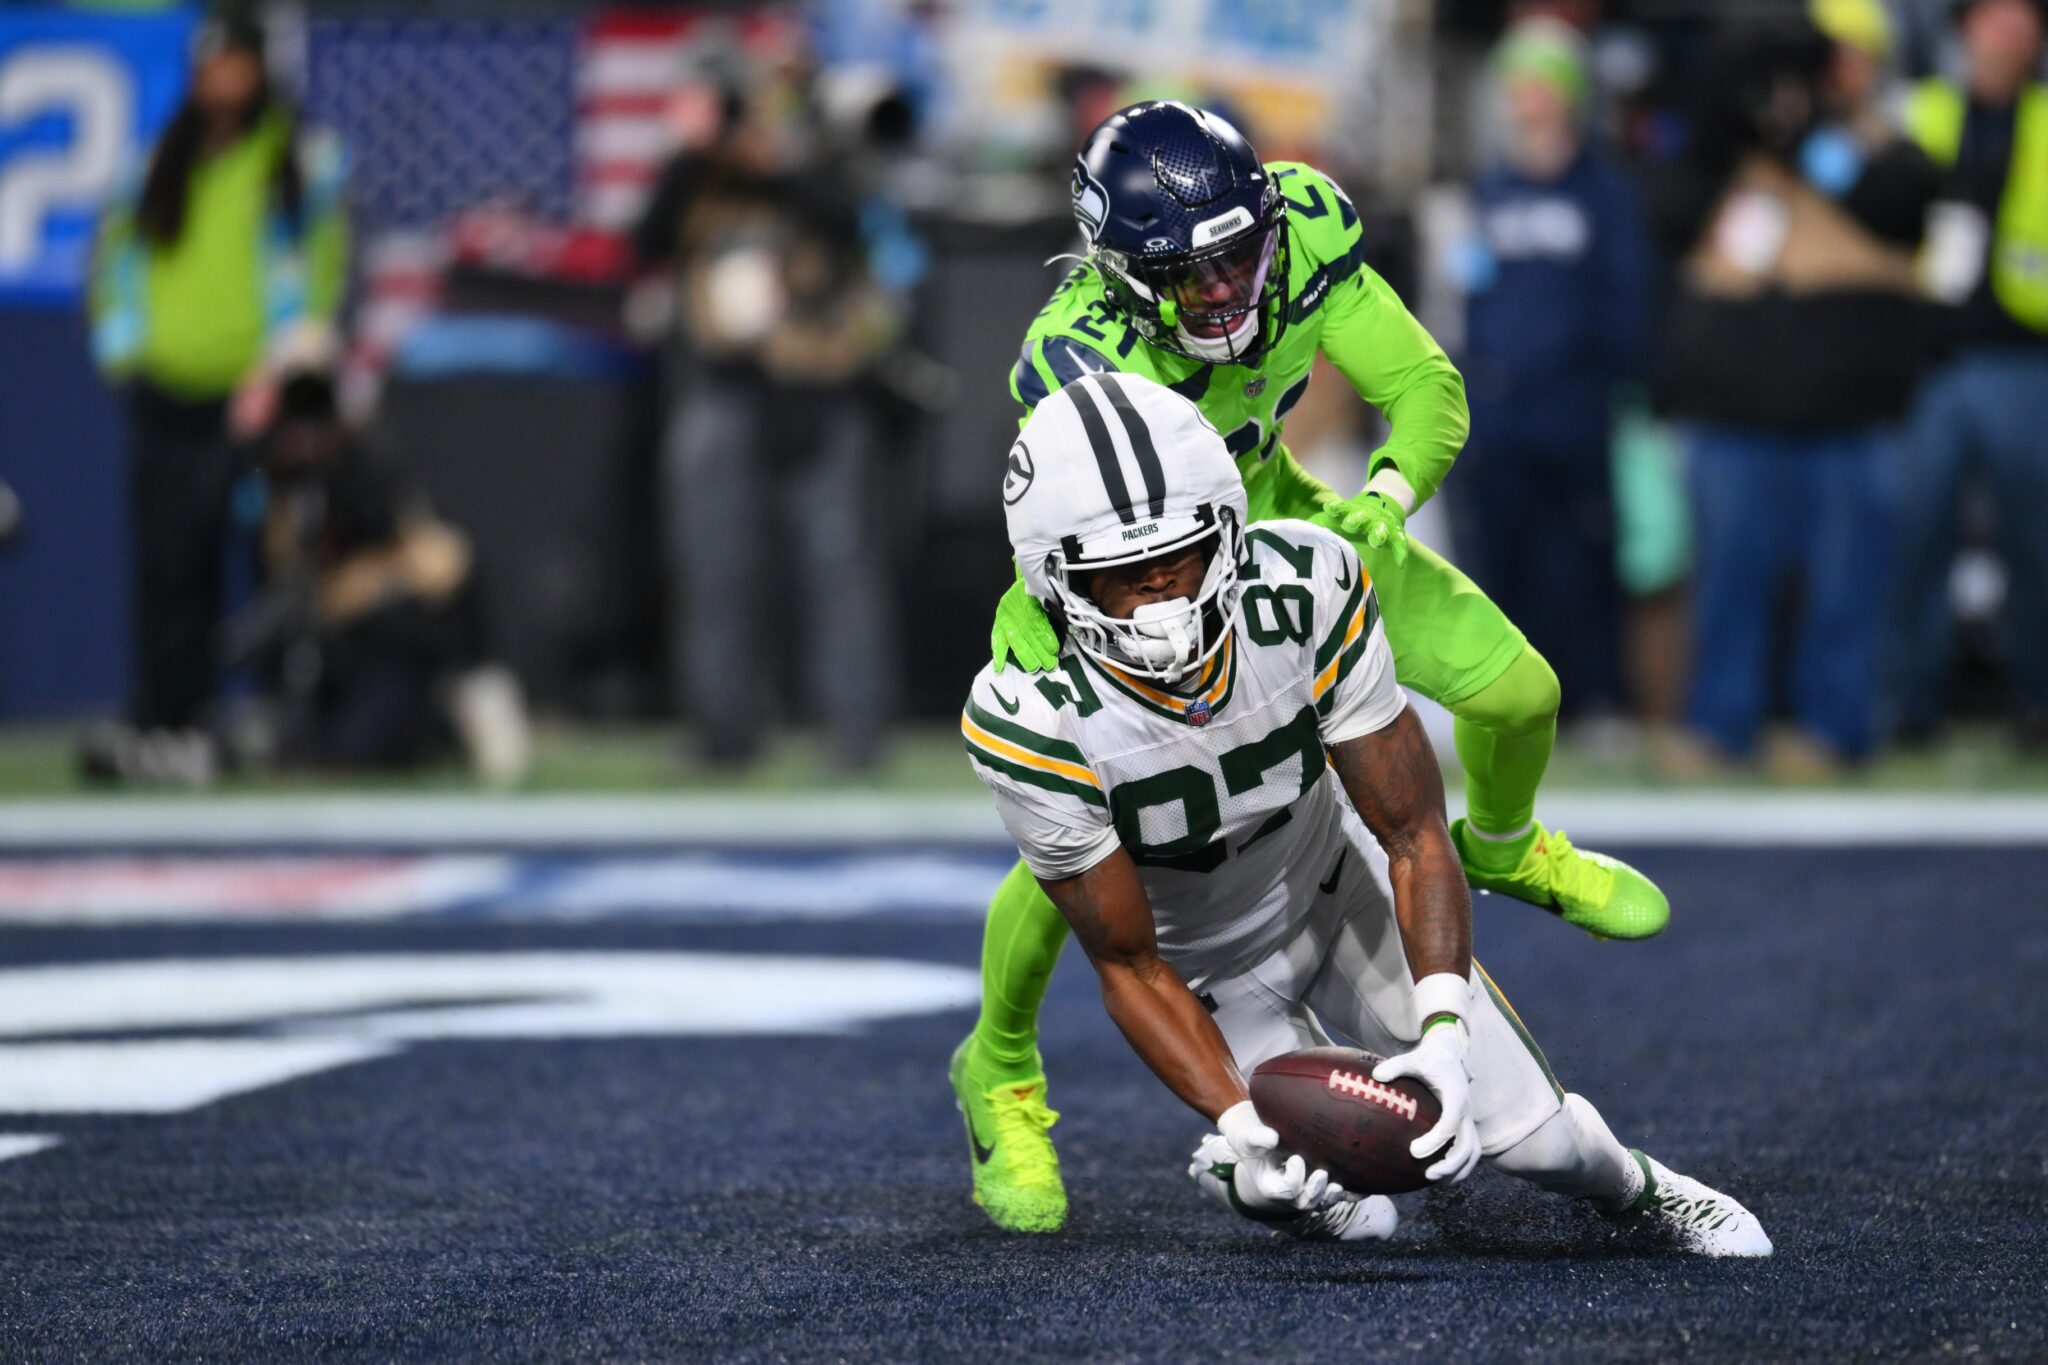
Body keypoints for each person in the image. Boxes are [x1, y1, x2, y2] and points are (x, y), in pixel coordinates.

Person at [951, 99, 1668, 1235]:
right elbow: (1097, 531)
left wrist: (1384, 498)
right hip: (1136, 573)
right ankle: (997, 1070)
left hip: (1275, 525)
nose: (1229, 289)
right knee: (1088, 821)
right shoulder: (1072, 355)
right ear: (1122, 274)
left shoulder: (1305, 225)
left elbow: (1423, 388)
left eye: (1242, 254)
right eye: (1192, 275)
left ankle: (1503, 845)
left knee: (1515, 690)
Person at [960, 373, 1770, 1255]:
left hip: (1338, 884)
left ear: (1229, 530)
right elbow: (1128, 962)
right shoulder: (1026, 713)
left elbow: (1412, 831)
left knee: (1548, 1146)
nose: (1162, 600)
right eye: (1123, 574)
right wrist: (1237, 1120)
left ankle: (1640, 1184)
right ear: (1054, 579)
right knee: (1321, 1194)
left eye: (1182, 557)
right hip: (1208, 965)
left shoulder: (1307, 582)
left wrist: (1444, 1033)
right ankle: (1245, 1173)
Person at [1649, 6, 1936, 775]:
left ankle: (1834, 730)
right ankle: (1718, 726)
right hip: (1735, 415)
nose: (1814, 79)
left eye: (1836, 60)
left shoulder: (1883, 149)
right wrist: (1726, 120)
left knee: (1849, 588)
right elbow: (1669, 220)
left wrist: (1805, 137)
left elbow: (1899, 206)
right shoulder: (1719, 156)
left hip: (1852, 414)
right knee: (1729, 585)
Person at [86, 15, 347, 779]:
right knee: (170, 564)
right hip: (169, 388)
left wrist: (280, 366)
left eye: (237, 65)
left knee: (274, 563)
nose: (224, 82)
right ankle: (172, 720)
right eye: (213, 67)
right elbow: (114, 262)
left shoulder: (298, 159)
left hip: (258, 394)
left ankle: (283, 718)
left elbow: (322, 267)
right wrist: (126, 348)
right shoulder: (156, 162)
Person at [631, 43, 902, 771]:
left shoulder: (819, 154)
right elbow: (647, 238)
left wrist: (777, 161)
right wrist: (700, 155)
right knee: (714, 565)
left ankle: (853, 736)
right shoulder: (697, 176)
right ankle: (722, 731)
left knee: (837, 564)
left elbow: (852, 223)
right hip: (725, 387)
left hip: (819, 386)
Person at [1450, 19, 1654, 719]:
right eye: (1517, 84)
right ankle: (1512, 709)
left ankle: (1595, 700)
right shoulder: (1489, 192)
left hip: (1575, 411)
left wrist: (1609, 382)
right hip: (1501, 414)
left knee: (1582, 561)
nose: (1526, 99)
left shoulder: (1603, 192)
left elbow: (1628, 299)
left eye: (1538, 84)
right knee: (1500, 564)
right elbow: (1467, 299)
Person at [236, 370, 530, 785]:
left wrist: (365, 583)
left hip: (388, 644)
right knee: (313, 749)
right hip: (333, 647)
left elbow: (439, 559)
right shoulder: (279, 476)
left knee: (357, 746)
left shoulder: (366, 468)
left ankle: (456, 714)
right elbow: (286, 569)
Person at [1892, 0, 2048, 748]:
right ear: (1964, 32)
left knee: (2036, 541)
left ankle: (2037, 702)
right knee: (1917, 537)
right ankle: (1911, 705)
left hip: (2025, 355)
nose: (2004, 38)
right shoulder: (1922, 110)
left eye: (2020, 23)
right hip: (1931, 357)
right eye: (1991, 21)